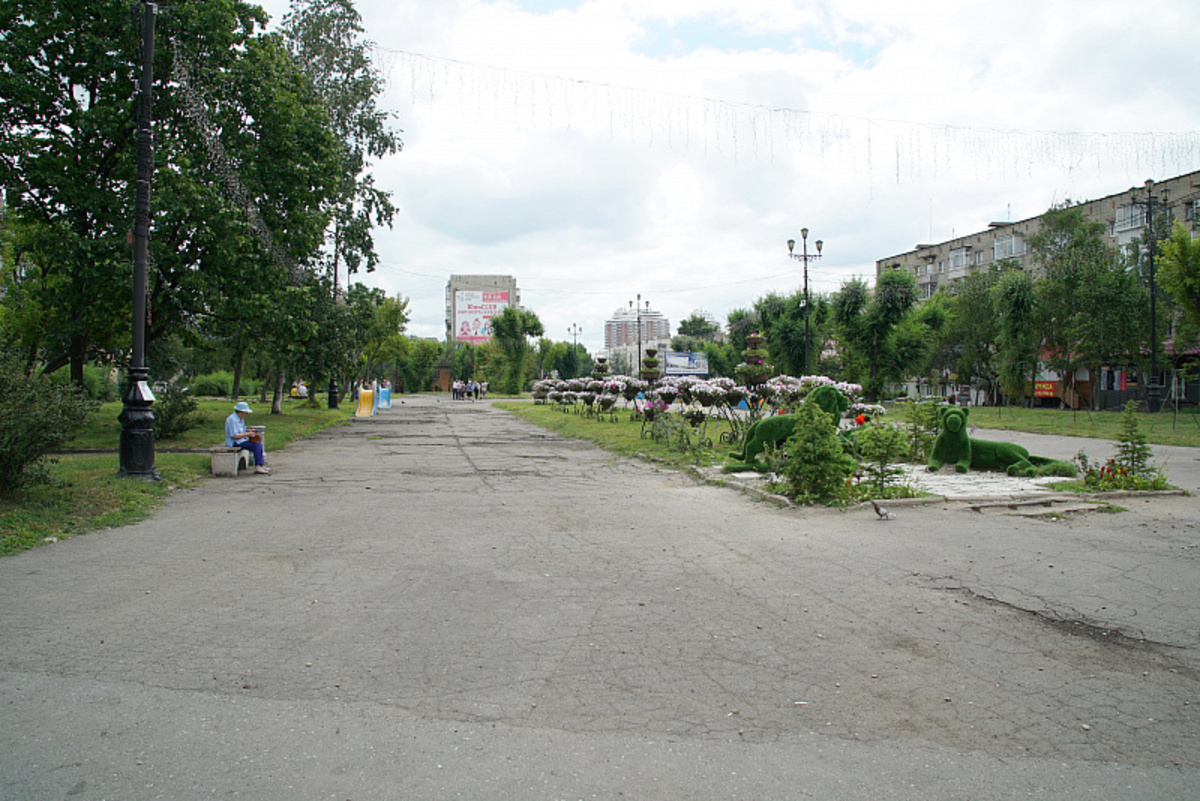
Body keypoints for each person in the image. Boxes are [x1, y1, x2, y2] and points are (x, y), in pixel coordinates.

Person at [225, 401, 270, 474]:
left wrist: (248, 431)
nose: (246, 414)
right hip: (234, 442)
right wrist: (247, 434)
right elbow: (234, 436)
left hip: (241, 440)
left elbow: (240, 430)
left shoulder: (240, 419)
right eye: (245, 412)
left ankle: (260, 465)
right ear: (239, 411)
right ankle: (258, 466)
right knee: (256, 446)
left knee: (258, 444)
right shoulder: (232, 419)